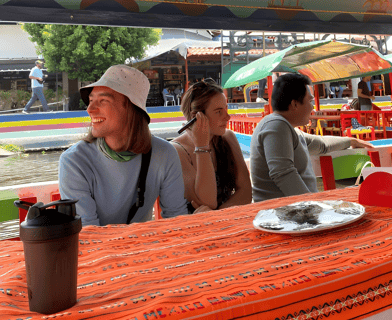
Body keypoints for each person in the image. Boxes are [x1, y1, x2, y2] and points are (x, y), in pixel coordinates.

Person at [59, 65, 188, 226]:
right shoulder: (74, 161)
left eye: (103, 100)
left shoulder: (164, 153)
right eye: (91, 100)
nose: (90, 109)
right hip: (98, 249)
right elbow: (88, 233)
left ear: (131, 108)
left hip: (140, 247)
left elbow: (177, 219)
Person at [250, 73, 374, 202]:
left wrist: (351, 140)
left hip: (296, 210)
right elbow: (283, 174)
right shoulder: (276, 126)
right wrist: (314, 207)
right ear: (294, 104)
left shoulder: (289, 129)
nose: (312, 107)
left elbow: (321, 145)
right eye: (310, 101)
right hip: (283, 214)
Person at [171, 78, 252, 213]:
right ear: (196, 116)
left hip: (225, 222)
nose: (227, 117)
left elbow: (246, 193)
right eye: (219, 111)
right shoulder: (178, 150)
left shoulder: (227, 137)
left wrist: (216, 216)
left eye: (226, 109)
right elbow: (208, 201)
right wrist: (202, 146)